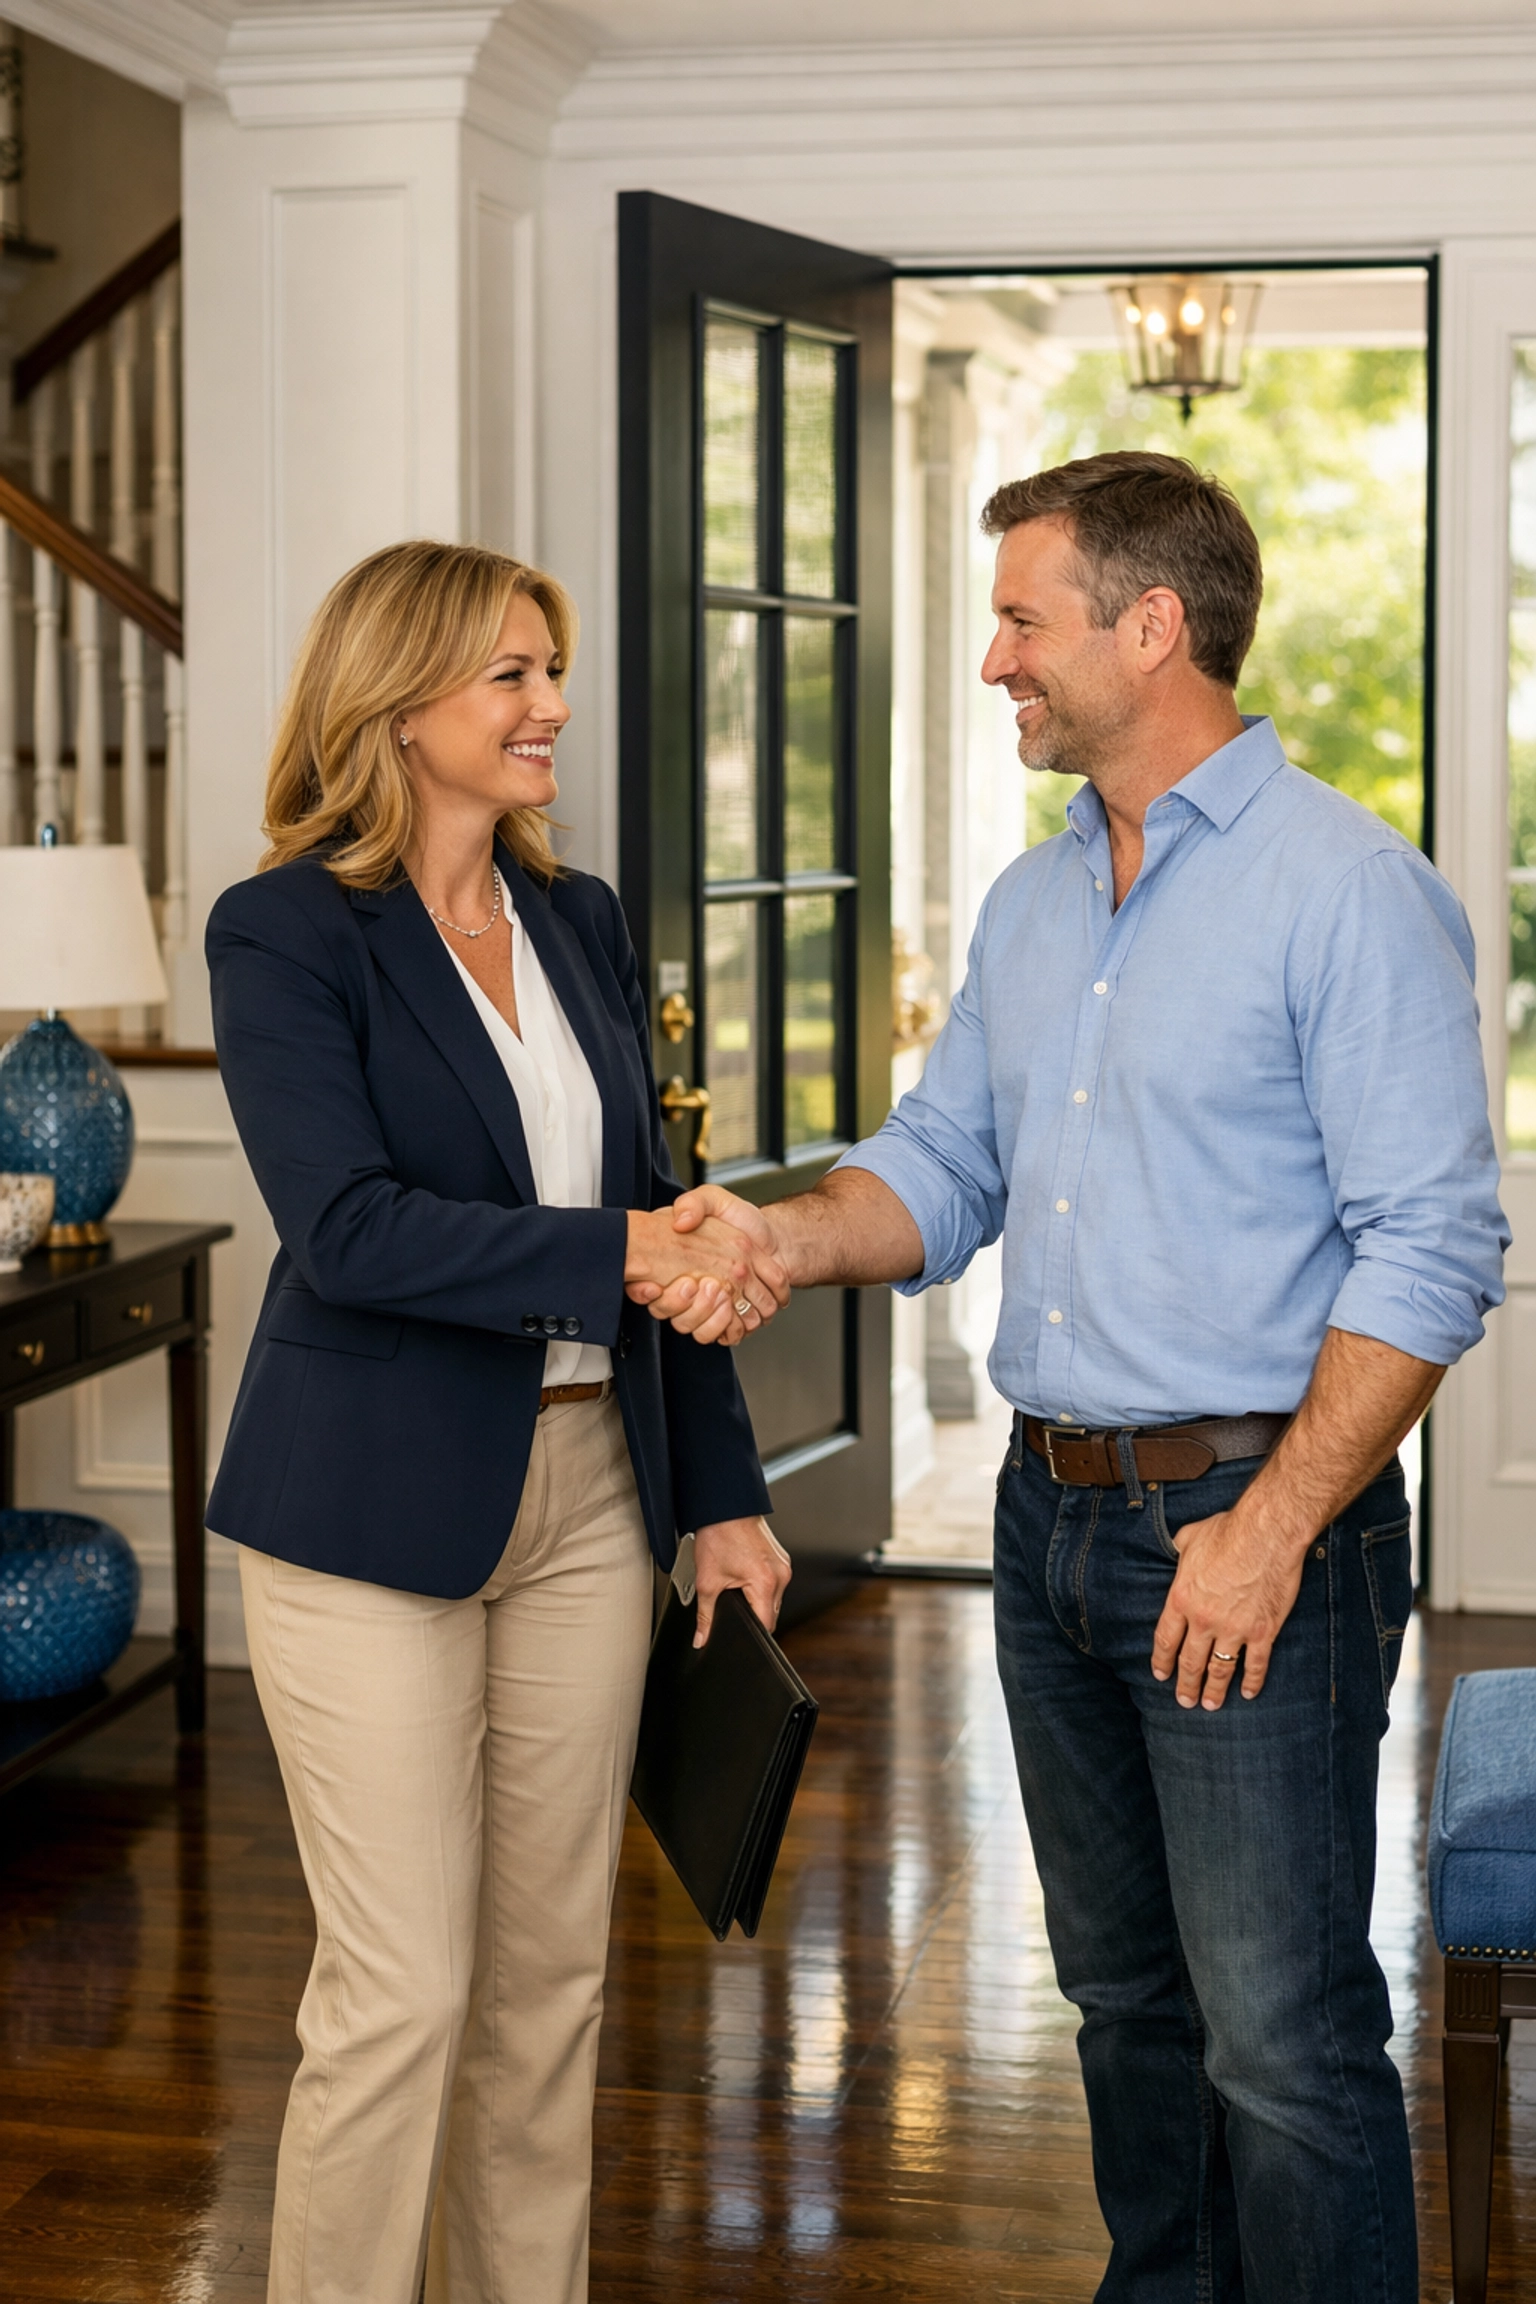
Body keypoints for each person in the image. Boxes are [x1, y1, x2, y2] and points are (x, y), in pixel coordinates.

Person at [636, 453, 1508, 2302]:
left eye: (1022, 621)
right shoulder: (1035, 906)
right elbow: (943, 1167)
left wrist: (1272, 1531)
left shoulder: (1347, 888)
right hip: (1050, 1524)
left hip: (1250, 1528)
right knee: (1123, 2001)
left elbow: (1433, 1250)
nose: (995, 663)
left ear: (1151, 627)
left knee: (1281, 2037)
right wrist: (773, 1240)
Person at [204, 539, 791, 2304]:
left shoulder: (580, 916)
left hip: (597, 1492)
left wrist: (725, 1491)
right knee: (402, 1994)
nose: (552, 707)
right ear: (398, 706)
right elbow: (350, 1230)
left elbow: (657, 1205)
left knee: (550, 1992)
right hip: (366, 1513)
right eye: (513, 676)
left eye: (552, 670)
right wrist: (622, 1248)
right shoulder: (284, 928)